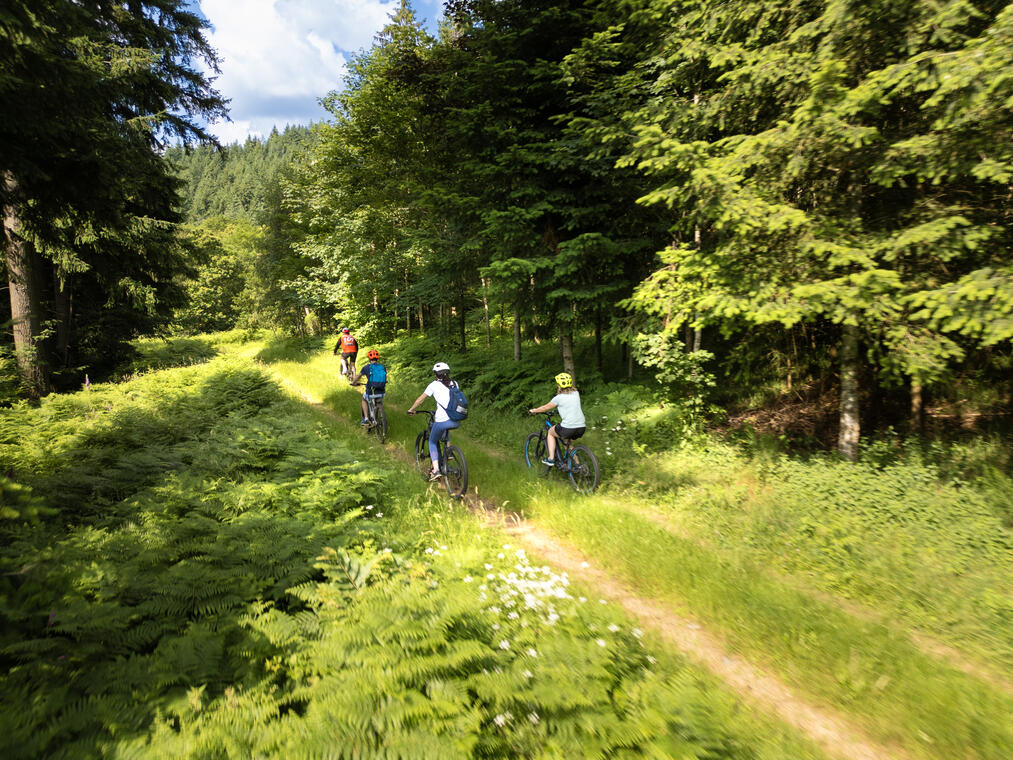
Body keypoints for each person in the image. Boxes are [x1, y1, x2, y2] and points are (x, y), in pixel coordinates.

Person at [406, 361, 461, 481]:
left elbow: (421, 399)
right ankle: (449, 453)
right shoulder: (454, 383)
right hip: (456, 420)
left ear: (436, 374)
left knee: (432, 441)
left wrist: (411, 409)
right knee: (447, 430)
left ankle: (436, 470)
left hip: (442, 420)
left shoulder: (434, 385)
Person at [528, 372, 585, 466]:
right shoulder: (576, 394)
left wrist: (535, 411)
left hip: (568, 428)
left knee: (550, 433)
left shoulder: (558, 398)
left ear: (559, 385)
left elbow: (545, 408)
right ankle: (579, 465)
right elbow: (570, 406)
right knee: (567, 443)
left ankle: (550, 459)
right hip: (581, 427)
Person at [353, 349, 387, 425]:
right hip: (382, 392)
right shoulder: (382, 367)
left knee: (364, 399)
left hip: (371, 392)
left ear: (369, 358)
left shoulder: (366, 367)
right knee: (378, 400)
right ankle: (379, 413)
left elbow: (358, 376)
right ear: (377, 358)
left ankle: (366, 419)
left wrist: (353, 382)